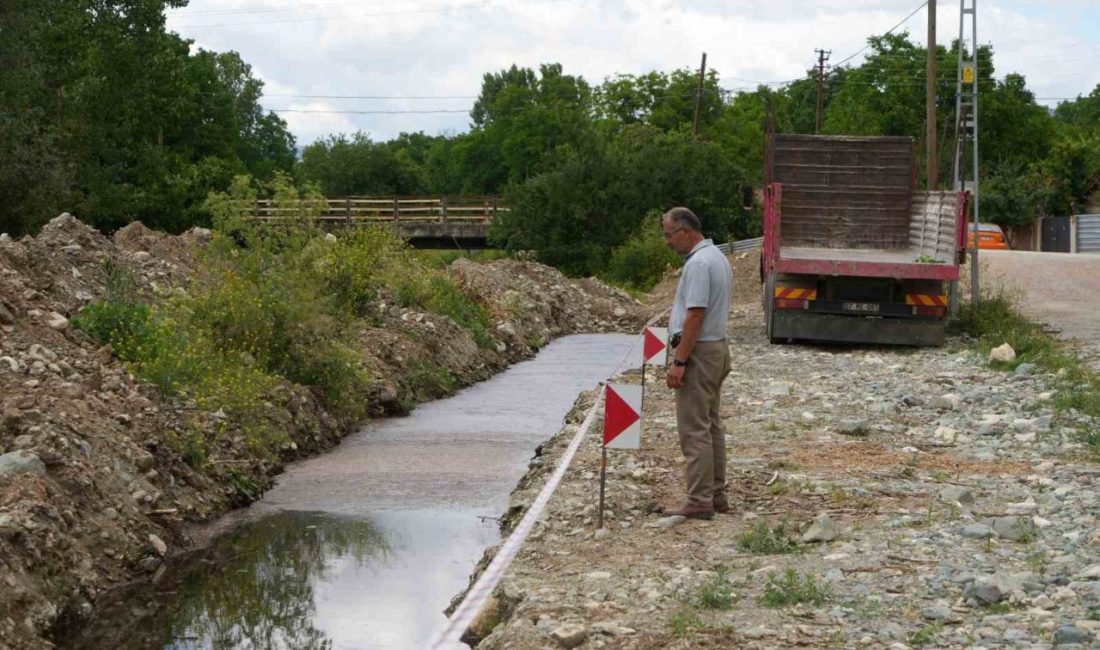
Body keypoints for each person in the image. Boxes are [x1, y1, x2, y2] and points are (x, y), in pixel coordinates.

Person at [660, 207, 733, 520]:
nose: (667, 242)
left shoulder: (700, 264)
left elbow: (695, 315)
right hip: (716, 348)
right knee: (711, 424)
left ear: (685, 231)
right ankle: (715, 494)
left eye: (668, 235)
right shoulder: (716, 257)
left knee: (694, 429)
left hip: (700, 352)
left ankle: (700, 500)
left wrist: (680, 361)